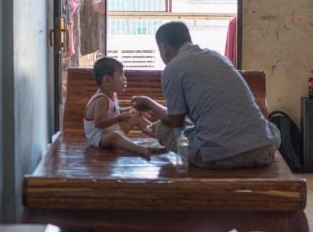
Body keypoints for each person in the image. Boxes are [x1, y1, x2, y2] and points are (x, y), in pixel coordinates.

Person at [131, 21, 280, 169]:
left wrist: (148, 102)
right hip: (265, 148)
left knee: (163, 128)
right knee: (268, 126)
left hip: (226, 156)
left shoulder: (173, 69)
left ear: (165, 48)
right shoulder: (217, 57)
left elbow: (175, 122)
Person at [84, 57, 160, 159]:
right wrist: (119, 118)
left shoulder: (112, 95)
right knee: (115, 136)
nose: (125, 78)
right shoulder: (101, 99)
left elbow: (115, 111)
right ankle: (140, 149)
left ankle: (163, 136)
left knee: (137, 118)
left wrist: (134, 110)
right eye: (121, 74)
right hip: (100, 137)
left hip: (111, 129)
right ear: (107, 80)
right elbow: (98, 123)